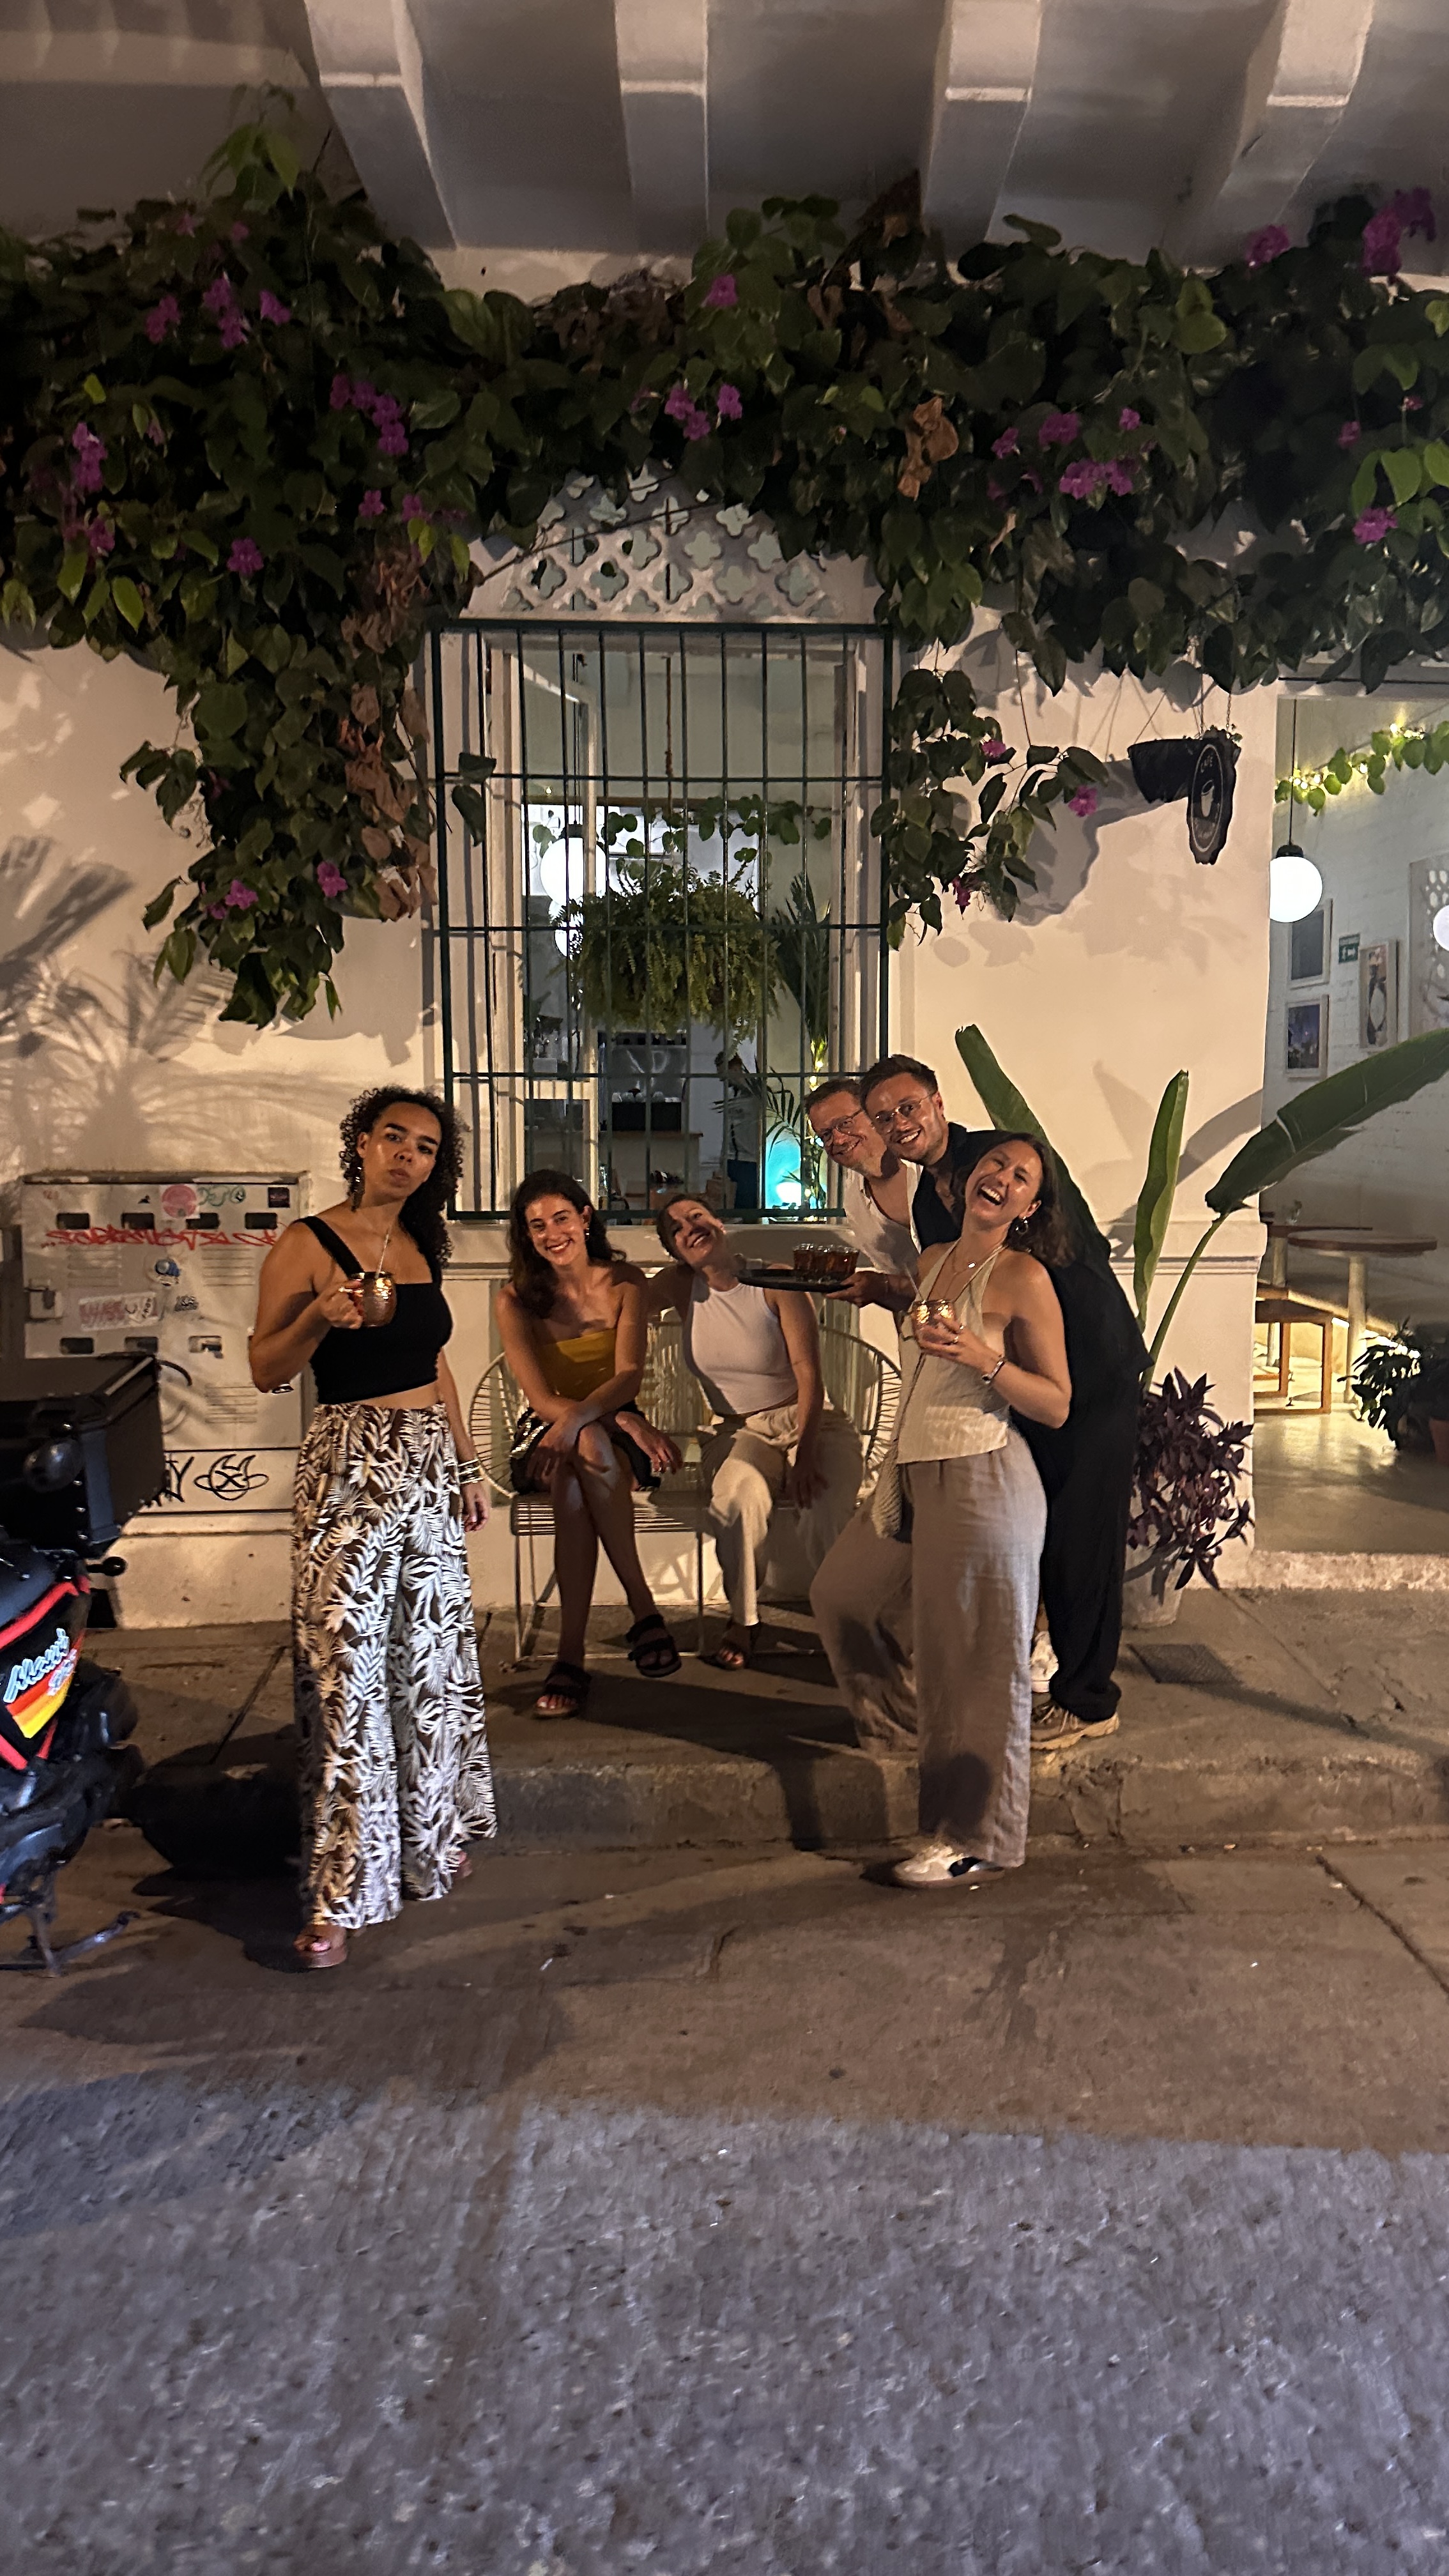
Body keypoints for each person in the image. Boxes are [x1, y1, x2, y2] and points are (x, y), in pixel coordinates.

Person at [250, 1087, 494, 1970]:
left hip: (426, 1465)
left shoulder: (424, 1245)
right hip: (348, 1466)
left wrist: (466, 1465)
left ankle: (429, 1841)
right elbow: (265, 1367)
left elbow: (435, 1364)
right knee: (346, 1670)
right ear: (360, 1142)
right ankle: (339, 1892)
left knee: (425, 1668)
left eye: (425, 1147)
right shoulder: (306, 1243)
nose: (407, 1156)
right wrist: (319, 1316)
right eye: (394, 1137)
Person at [858, 1054, 1146, 1752]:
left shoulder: (997, 1159)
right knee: (1039, 1538)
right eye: (885, 1117)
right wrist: (887, 1292)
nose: (900, 1124)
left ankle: (1089, 1700)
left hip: (1091, 1371)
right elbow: (957, 1292)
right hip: (1020, 1377)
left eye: (909, 1107)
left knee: (1082, 1543)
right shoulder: (930, 1202)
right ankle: (1035, 1671)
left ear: (937, 1103)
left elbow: (1063, 1254)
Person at [812, 1133, 1070, 1886]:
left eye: (1021, 1178)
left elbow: (1057, 1404)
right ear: (966, 1180)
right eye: (996, 1165)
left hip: (984, 1475)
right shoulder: (932, 1260)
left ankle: (972, 1836)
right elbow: (924, 1312)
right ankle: (919, 1739)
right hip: (915, 1465)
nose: (1003, 1178)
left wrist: (985, 1360)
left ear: (1029, 1207)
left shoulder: (1024, 1277)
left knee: (975, 1666)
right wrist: (877, 1289)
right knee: (843, 1595)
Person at [647, 1193, 863, 1669]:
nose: (690, 1228)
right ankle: (744, 1620)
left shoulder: (774, 1280)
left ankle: (847, 1621)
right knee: (737, 1498)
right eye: (677, 1229)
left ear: (719, 1223)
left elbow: (809, 1372)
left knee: (825, 1507)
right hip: (739, 1430)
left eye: (697, 1216)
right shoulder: (679, 1287)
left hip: (812, 1420)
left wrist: (806, 1453)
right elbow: (616, 1305)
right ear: (674, 1251)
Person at [496, 1170, 683, 1717]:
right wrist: (600, 1422)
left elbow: (628, 1375)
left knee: (577, 1484)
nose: (552, 1234)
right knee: (588, 1448)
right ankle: (643, 1609)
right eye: (537, 1226)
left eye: (561, 1218)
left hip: (610, 1425)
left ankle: (570, 1657)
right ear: (526, 1236)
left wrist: (614, 1420)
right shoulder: (515, 1300)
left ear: (584, 1217)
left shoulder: (626, 1282)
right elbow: (538, 1397)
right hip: (547, 1429)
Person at [804, 1077, 918, 1291]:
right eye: (826, 1135)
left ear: (872, 1114)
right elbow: (899, 1282)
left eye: (845, 1124)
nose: (838, 1140)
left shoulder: (925, 1166)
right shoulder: (855, 1204)